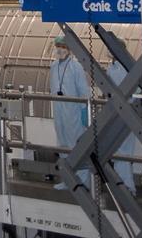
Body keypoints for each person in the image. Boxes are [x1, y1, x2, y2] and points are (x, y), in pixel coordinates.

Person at [49, 35, 89, 188]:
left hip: (73, 112)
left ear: (69, 49)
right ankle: (67, 179)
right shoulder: (53, 66)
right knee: (62, 144)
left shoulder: (76, 67)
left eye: (63, 46)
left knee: (75, 145)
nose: (60, 49)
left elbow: (84, 91)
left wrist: (84, 111)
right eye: (58, 46)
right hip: (58, 109)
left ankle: (81, 180)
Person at [107, 59, 142, 192]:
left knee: (124, 151)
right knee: (119, 151)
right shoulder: (111, 67)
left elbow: (139, 89)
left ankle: (126, 186)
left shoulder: (128, 67)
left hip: (127, 112)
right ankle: (121, 185)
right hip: (117, 113)